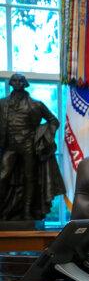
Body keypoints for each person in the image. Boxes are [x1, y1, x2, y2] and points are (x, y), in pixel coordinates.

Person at [0, 73, 64, 221]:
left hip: (28, 145)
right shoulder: (2, 103)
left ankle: (28, 211)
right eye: (14, 81)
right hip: (9, 146)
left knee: (30, 178)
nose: (17, 83)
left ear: (25, 84)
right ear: (10, 83)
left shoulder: (36, 104)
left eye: (20, 81)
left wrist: (43, 136)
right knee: (3, 176)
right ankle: (3, 210)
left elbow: (53, 121)